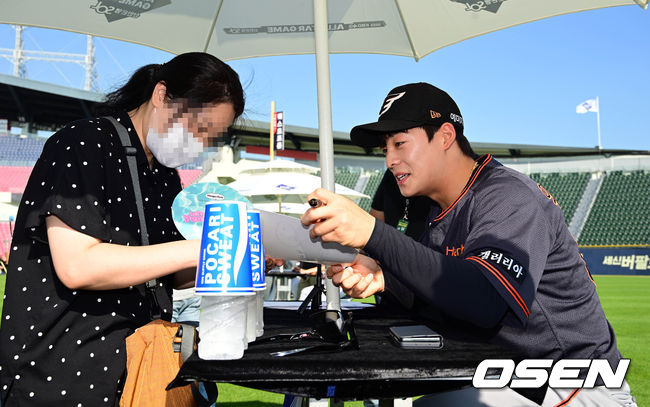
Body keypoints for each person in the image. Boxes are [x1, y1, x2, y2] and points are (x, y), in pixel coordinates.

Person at [301, 82, 636, 406]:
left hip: (576, 385)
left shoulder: (508, 197)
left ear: (446, 136)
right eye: (385, 148)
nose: (389, 159)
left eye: (400, 143)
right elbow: (441, 296)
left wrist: (374, 233)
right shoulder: (428, 207)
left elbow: (485, 301)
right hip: (507, 379)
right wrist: (385, 280)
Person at [0, 52, 245, 406]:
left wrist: (238, 257)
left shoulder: (164, 174)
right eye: (199, 128)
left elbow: (169, 273)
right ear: (162, 95)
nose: (200, 144)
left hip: (135, 372)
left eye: (211, 137)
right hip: (62, 373)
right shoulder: (83, 143)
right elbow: (78, 266)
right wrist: (203, 247)